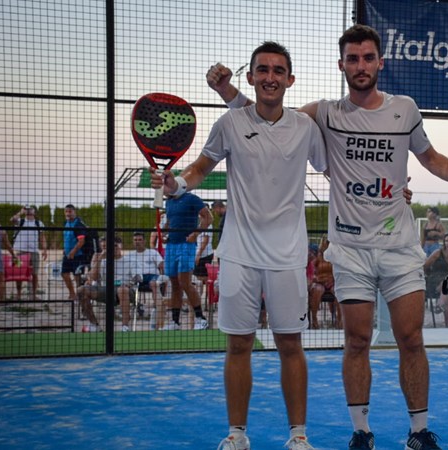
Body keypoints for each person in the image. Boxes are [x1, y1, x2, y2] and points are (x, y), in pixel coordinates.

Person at [207, 24, 448, 450]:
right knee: (357, 340)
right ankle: (361, 432)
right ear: (341, 65)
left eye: (367, 58)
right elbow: (268, 115)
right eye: (352, 59)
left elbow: (431, 158)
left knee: (412, 338)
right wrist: (229, 93)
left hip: (399, 245)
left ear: (380, 62)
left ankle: (419, 433)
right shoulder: (324, 113)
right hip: (350, 249)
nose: (360, 66)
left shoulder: (405, 109)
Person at [156, 41, 327, 450]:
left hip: (287, 256)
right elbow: (201, 167)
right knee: (238, 344)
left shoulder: (305, 128)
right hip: (238, 253)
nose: (270, 77)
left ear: (290, 79)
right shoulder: (229, 124)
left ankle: (298, 436)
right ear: (250, 76)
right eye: (262, 69)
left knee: (291, 344)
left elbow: (334, 168)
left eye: (278, 70)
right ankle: (237, 435)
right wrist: (176, 185)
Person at [162, 191, 212, 331]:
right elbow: (170, 221)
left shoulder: (191, 198)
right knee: (174, 284)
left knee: (185, 282)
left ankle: (200, 318)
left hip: (186, 245)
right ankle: (175, 322)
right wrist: (164, 232)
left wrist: (195, 234)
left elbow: (208, 218)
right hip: (171, 245)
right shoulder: (169, 202)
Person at [76, 236, 136, 332]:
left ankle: (125, 326)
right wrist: (99, 259)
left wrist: (130, 283)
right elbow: (93, 277)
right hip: (105, 289)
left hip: (125, 290)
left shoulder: (130, 260)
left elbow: (137, 278)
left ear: (121, 246)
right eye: (107, 247)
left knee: (122, 290)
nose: (113, 248)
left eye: (116, 245)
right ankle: (94, 324)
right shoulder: (100, 259)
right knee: (81, 290)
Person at [126, 232, 166, 328]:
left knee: (154, 283)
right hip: (137, 278)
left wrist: (163, 276)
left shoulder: (152, 252)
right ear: (133, 241)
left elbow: (162, 265)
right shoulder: (129, 255)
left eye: (140, 240)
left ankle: (156, 309)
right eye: (135, 240)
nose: (137, 242)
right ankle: (130, 314)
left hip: (152, 276)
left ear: (144, 241)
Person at [10, 205, 47, 300]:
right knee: (19, 273)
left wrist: (44, 249)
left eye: (31, 208)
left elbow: (42, 237)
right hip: (20, 251)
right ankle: (18, 294)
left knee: (35, 274)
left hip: (34, 251)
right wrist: (20, 212)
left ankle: (33, 295)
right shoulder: (20, 221)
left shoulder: (39, 223)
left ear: (35, 211)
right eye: (27, 208)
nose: (29, 210)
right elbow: (12, 220)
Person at [61, 204, 92, 302]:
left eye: (70, 211)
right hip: (67, 254)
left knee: (77, 276)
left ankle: (81, 295)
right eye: (66, 211)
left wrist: (73, 251)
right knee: (64, 273)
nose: (68, 214)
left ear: (74, 212)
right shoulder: (65, 223)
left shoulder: (78, 224)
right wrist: (65, 250)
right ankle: (72, 293)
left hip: (78, 255)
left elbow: (81, 241)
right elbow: (66, 238)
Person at [308, 237, 339, 329]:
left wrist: (333, 280)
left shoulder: (336, 257)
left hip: (332, 281)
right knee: (318, 290)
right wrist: (318, 279)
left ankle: (339, 319)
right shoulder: (318, 257)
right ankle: (314, 318)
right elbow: (312, 271)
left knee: (337, 290)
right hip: (320, 281)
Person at [0, 212, 18, 301]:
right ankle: (1, 298)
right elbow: (8, 245)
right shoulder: (2, 230)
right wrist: (13, 255)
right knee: (1, 280)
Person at [193, 205, 214, 297]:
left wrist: (198, 255)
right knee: (199, 279)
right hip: (201, 253)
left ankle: (201, 298)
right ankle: (199, 298)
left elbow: (205, 241)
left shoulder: (207, 225)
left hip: (204, 255)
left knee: (200, 279)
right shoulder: (201, 223)